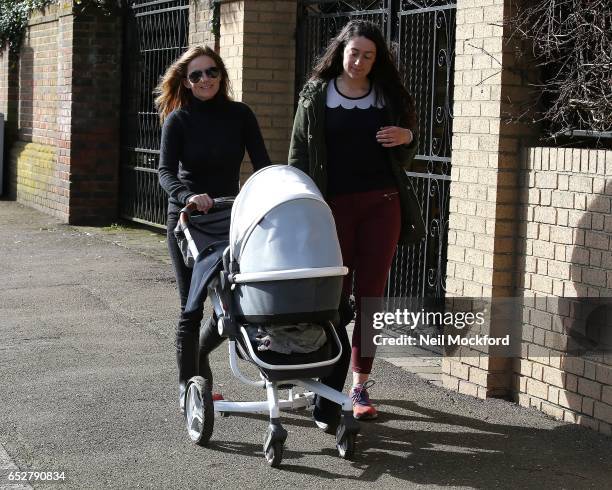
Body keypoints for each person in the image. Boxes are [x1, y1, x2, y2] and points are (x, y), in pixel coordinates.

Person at [289, 21, 425, 424]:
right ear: (340, 51)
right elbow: (298, 154)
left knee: (370, 297)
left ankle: (360, 384)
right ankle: (322, 377)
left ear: (376, 58)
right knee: (334, 293)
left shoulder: (389, 96)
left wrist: (408, 140)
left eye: (368, 55)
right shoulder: (316, 95)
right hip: (331, 208)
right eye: (354, 53)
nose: (360, 61)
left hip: (382, 204)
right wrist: (302, 205)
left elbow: (404, 157)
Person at [155, 45, 271, 412]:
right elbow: (165, 172)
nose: (205, 80)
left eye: (211, 72)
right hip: (188, 219)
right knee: (192, 306)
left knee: (234, 303)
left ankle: (201, 353)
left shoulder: (240, 115)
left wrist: (270, 193)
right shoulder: (179, 120)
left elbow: (263, 165)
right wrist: (189, 196)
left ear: (221, 75)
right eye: (196, 75)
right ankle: (187, 383)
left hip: (230, 216)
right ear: (187, 83)